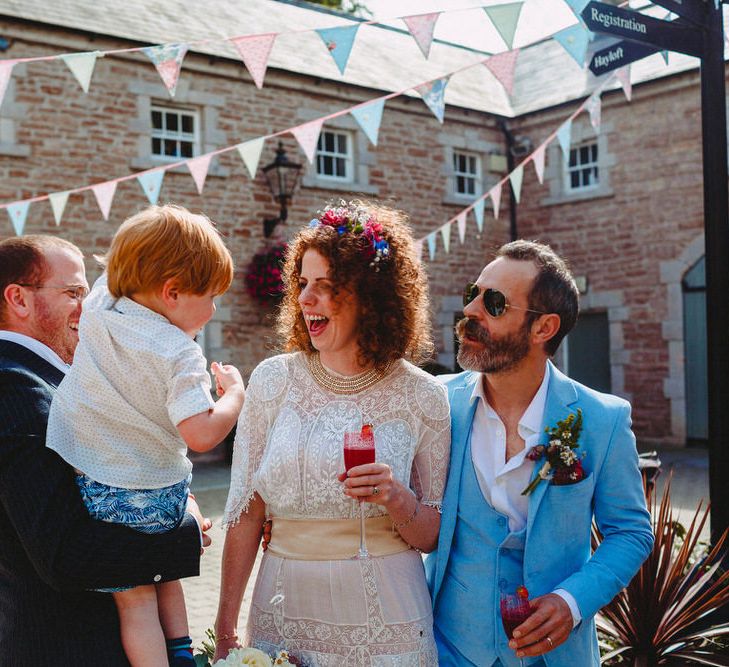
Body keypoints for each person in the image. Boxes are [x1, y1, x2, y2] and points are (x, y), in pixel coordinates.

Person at [214, 200, 451, 666]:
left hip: (388, 619)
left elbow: (432, 535)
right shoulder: (272, 381)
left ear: (373, 295)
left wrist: (396, 497)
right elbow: (245, 511)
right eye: (302, 284)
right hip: (281, 612)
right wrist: (224, 629)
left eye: (325, 286)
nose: (305, 299)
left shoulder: (423, 396)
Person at [425, 239, 654, 666]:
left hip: (556, 657)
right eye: (471, 295)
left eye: (493, 302)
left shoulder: (601, 419)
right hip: (447, 650)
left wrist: (571, 601)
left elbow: (630, 532)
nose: (470, 311)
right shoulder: (436, 404)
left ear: (543, 328)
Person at [45, 205, 245, 667]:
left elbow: (116, 270)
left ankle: (167, 655)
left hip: (94, 483)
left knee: (134, 602)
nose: (214, 309)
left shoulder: (98, 304)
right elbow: (201, 434)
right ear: (171, 292)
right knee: (165, 574)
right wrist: (235, 395)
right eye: (211, 296)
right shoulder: (179, 353)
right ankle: (179, 652)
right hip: (155, 491)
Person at [0, 234, 206, 667]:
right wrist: (182, 530)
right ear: (18, 299)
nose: (87, 308)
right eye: (74, 293)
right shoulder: (15, 387)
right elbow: (65, 554)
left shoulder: (59, 379)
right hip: (67, 649)